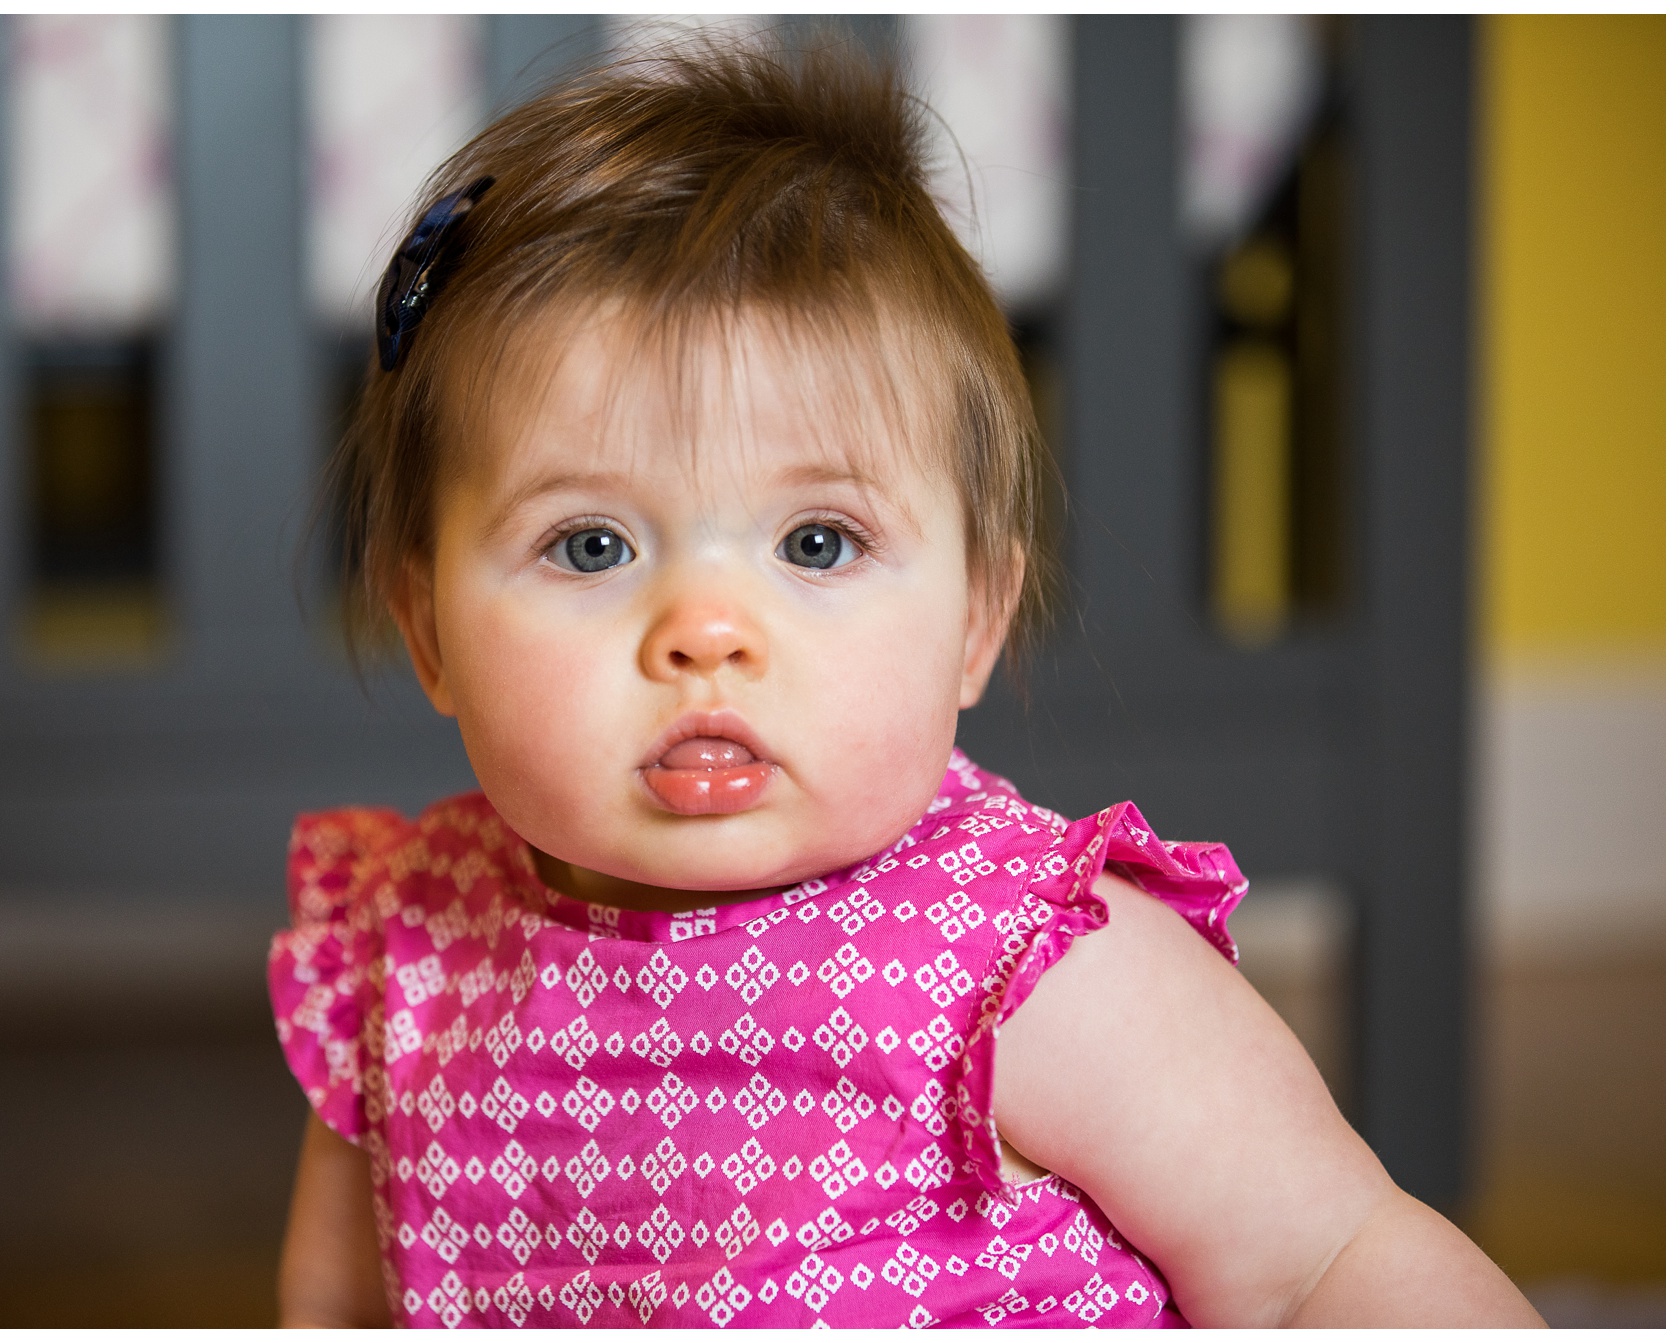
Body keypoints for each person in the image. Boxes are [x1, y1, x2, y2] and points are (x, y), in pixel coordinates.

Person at [269, 37, 1541, 1329]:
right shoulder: (405, 942)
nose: (707, 632)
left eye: (817, 542)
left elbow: (1325, 1266)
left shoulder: (1032, 969)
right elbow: (343, 1303)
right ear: (425, 626)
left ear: (977, 618)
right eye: (591, 545)